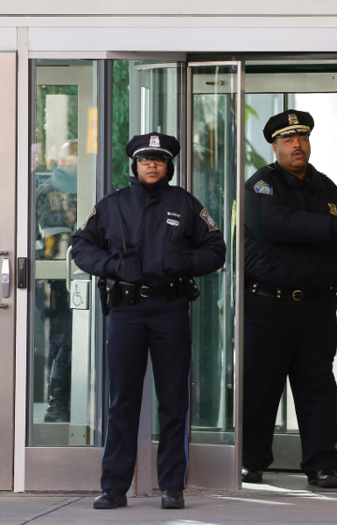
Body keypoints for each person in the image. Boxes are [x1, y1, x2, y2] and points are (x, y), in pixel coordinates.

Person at [71, 132, 226, 510]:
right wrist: (111, 266)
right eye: (145, 160)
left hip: (170, 309)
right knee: (122, 400)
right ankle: (114, 487)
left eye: (158, 160)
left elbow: (216, 249)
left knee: (173, 400)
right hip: (125, 312)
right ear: (135, 165)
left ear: (168, 165)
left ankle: (172, 486)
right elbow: (81, 246)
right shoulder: (112, 205)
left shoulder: (185, 204)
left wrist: (183, 262)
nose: (152, 165)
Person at [242, 109, 337, 489]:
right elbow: (274, 225)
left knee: (318, 388)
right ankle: (250, 461)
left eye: (302, 138)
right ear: (275, 146)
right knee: (262, 385)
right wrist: (335, 224)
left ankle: (321, 465)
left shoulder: (324, 186)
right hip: (268, 305)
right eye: (288, 140)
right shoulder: (261, 185)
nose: (297, 145)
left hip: (316, 307)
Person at [35, 139, 79, 422]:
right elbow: (55, 243)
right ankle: (56, 408)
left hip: (71, 275)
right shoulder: (51, 191)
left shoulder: (81, 187)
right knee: (67, 340)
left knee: (63, 341)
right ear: (63, 162)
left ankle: (61, 405)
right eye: (73, 159)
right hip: (58, 278)